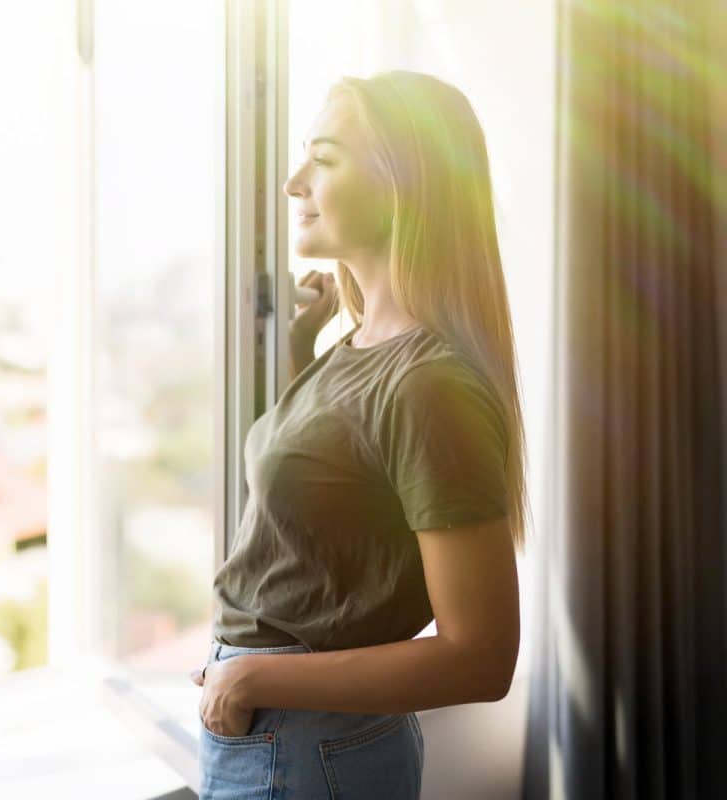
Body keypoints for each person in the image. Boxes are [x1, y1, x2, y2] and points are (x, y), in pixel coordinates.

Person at [189, 70, 528, 799]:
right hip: (291, 738)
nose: (292, 183)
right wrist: (301, 348)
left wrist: (250, 673)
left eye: (326, 158)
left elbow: (483, 658)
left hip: (306, 746)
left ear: (405, 184)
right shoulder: (367, 347)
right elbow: (331, 487)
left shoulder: (430, 384)